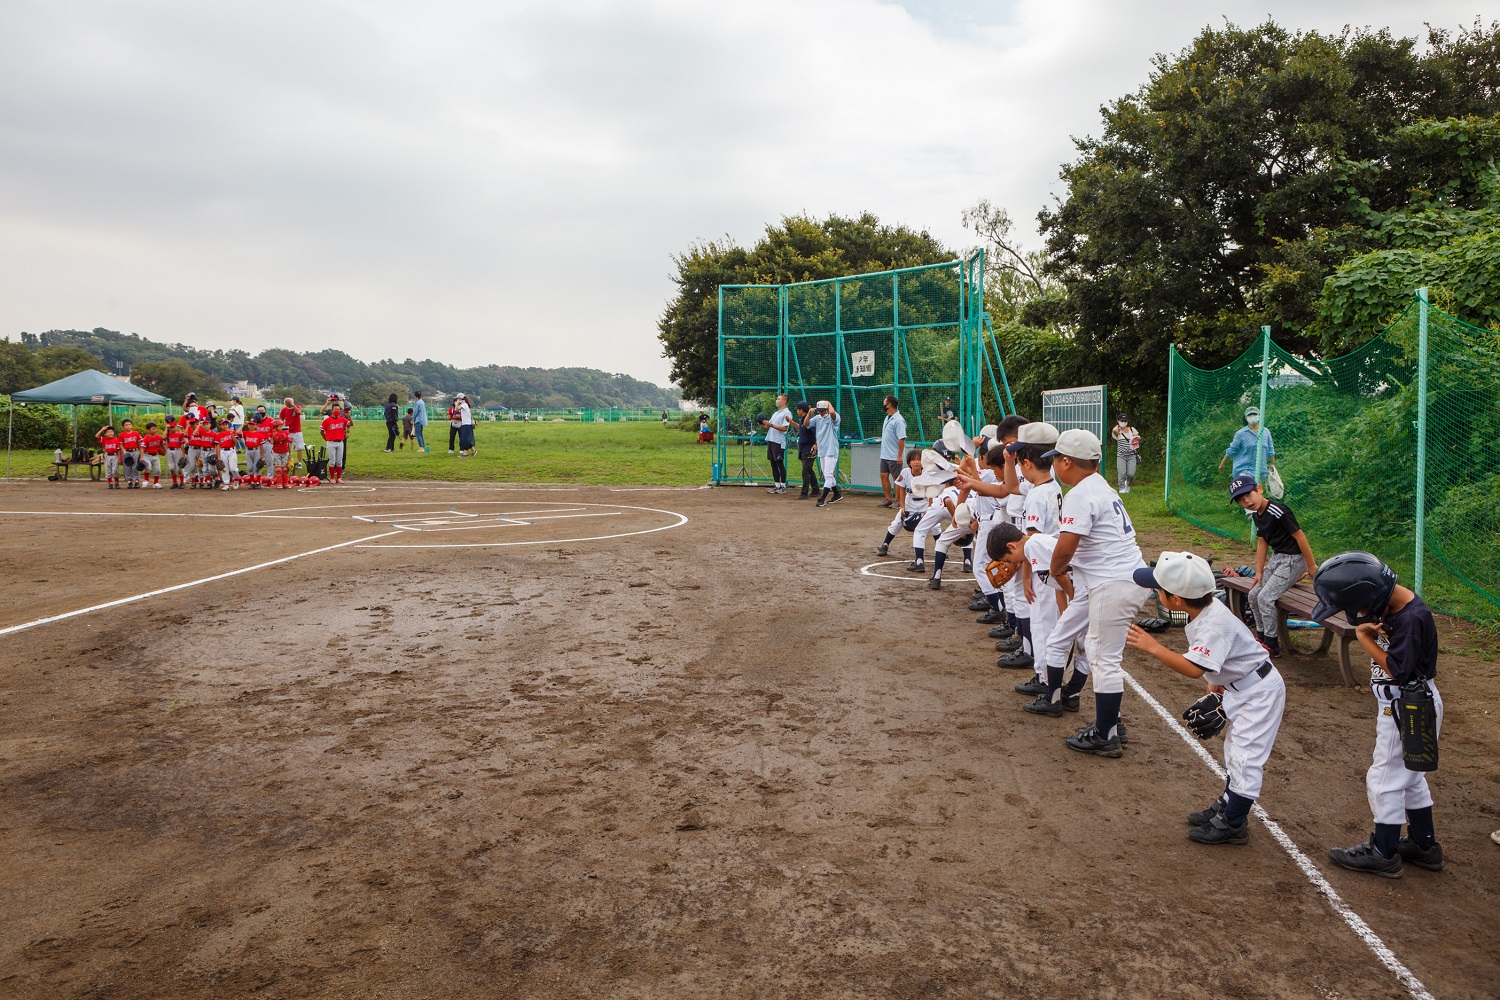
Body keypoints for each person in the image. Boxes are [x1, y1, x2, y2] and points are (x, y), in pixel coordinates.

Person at [1126, 551, 1287, 845]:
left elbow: (1192, 668)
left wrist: (1153, 648)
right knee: (1235, 753)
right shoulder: (1206, 610)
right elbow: (1223, 659)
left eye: (1158, 588)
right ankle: (1228, 805)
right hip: (1241, 686)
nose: (1155, 590)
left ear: (1175, 599)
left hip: (1258, 692)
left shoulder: (1212, 624)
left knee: (1245, 758)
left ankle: (1233, 824)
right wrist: (1216, 686)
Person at [1311, 552, 1445, 877]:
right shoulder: (1399, 606)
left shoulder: (1411, 619)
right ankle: (1424, 845)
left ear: (1371, 598)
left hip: (1405, 707)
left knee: (1383, 779)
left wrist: (1362, 636)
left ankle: (1383, 852)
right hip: (1412, 703)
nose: (1355, 615)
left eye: (1355, 608)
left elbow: (1397, 670)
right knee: (1409, 779)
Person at [1045, 428, 1150, 758]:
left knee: (1104, 657)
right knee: (1103, 653)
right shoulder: (1100, 485)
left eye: (1056, 460)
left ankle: (1106, 734)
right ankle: (1112, 724)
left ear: (1065, 462)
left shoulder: (1079, 493)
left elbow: (1065, 547)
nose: (1054, 467)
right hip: (1126, 577)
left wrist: (1055, 570)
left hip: (1113, 583)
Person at [1230, 475, 1319, 656]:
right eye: (1240, 499)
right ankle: (1261, 636)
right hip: (1278, 557)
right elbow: (1262, 542)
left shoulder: (1279, 511)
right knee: (1254, 595)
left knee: (1266, 598)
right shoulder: (1257, 515)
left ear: (1259, 489)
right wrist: (1259, 571)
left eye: (1248, 494)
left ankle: (1272, 643)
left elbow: (1300, 536)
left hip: (1293, 559)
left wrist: (1311, 566)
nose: (1246, 500)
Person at [876, 449, 926, 556]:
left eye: (919, 459)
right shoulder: (905, 472)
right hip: (910, 502)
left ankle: (941, 549)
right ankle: (885, 544)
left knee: (935, 526)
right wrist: (903, 507)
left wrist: (930, 508)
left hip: (924, 502)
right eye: (913, 460)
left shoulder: (927, 473)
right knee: (897, 523)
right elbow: (902, 489)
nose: (916, 462)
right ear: (909, 463)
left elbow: (932, 493)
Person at [1219, 406, 1276, 482]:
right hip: (1244, 470)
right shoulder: (1241, 434)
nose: (1252, 416)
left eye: (1254, 414)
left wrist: (1273, 465)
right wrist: (1222, 464)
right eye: (1250, 415)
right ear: (1246, 417)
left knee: (1256, 492)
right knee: (1247, 491)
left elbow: (1270, 450)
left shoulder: (1265, 432)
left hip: (1260, 470)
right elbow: (1232, 449)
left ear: (1259, 416)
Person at [807, 400, 842, 506]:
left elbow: (832, 413)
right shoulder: (817, 418)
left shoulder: (833, 418)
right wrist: (809, 414)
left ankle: (822, 499)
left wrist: (829, 403)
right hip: (822, 451)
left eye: (822, 410)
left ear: (826, 409)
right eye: (819, 411)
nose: (820, 413)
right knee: (828, 475)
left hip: (831, 450)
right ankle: (836, 494)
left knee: (828, 475)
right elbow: (806, 424)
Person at [878, 395, 907, 508]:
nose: (883, 405)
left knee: (897, 479)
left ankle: (898, 500)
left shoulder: (899, 420)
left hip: (894, 456)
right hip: (885, 455)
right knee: (883, 475)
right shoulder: (888, 417)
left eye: (884, 403)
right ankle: (888, 499)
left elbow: (901, 439)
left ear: (889, 405)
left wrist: (899, 456)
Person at [761, 394, 794, 494]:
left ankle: (783, 486)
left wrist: (771, 424)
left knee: (779, 463)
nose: (777, 400)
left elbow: (784, 428)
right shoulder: (776, 413)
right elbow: (768, 426)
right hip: (771, 440)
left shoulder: (787, 413)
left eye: (778, 399)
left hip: (778, 441)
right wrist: (762, 423)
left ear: (784, 401)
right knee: (773, 463)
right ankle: (777, 485)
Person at [321, 405, 352, 484]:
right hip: (331, 442)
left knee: (339, 461)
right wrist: (326, 439)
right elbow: (321, 431)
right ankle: (332, 478)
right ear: (332, 411)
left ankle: (339, 477)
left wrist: (349, 417)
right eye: (335, 409)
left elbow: (350, 424)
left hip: (340, 442)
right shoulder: (327, 420)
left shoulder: (342, 419)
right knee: (332, 461)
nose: (337, 410)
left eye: (338, 409)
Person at [1110, 413, 1141, 494]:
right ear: (1118, 421)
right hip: (1121, 456)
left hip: (1131, 455)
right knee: (1122, 473)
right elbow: (1114, 431)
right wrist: (1118, 425)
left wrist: (1136, 439)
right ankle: (1121, 488)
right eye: (1122, 420)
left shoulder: (1132, 429)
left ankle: (1127, 484)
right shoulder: (1117, 431)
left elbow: (1138, 438)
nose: (1123, 422)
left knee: (1131, 474)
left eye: (1125, 420)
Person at [794, 402, 816, 498]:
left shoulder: (810, 420)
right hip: (803, 448)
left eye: (798, 409)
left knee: (805, 471)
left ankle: (804, 493)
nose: (797, 411)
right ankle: (816, 489)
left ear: (801, 410)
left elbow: (816, 432)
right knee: (809, 470)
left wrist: (816, 444)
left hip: (809, 448)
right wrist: (791, 422)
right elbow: (801, 428)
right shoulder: (803, 419)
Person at [116, 419, 143, 489]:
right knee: (127, 467)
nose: (128, 426)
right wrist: (124, 450)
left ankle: (137, 481)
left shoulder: (136, 433)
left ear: (132, 425)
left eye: (129, 424)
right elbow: (120, 444)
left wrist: (141, 452)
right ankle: (129, 481)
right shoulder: (121, 435)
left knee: (135, 466)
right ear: (123, 427)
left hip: (134, 451)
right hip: (126, 452)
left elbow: (139, 443)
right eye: (126, 425)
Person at [241, 419, 267, 488]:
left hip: (256, 450)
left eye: (253, 424)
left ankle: (258, 483)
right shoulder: (246, 433)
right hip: (248, 451)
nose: (251, 426)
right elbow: (238, 432)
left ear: (256, 425)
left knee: (257, 467)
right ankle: (252, 482)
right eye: (250, 424)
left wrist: (263, 456)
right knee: (250, 468)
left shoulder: (259, 434)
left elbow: (261, 446)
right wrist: (243, 425)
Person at [216, 418, 240, 490]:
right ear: (219, 426)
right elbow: (218, 446)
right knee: (224, 468)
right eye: (222, 425)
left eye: (226, 424)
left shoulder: (233, 432)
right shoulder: (218, 435)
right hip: (222, 451)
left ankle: (236, 479)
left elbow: (236, 442)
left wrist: (232, 434)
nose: (224, 426)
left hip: (231, 451)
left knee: (233, 469)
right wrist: (218, 456)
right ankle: (226, 484)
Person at [164, 421, 187, 489]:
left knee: (179, 467)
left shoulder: (179, 435)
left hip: (177, 450)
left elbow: (182, 444)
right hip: (169, 451)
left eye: (173, 427)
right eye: (171, 427)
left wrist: (183, 453)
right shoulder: (168, 434)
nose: (172, 428)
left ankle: (182, 482)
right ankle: (175, 483)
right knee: (171, 468)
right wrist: (166, 429)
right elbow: (163, 437)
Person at [270, 420, 293, 487]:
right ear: (275, 427)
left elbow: (290, 440)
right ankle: (279, 483)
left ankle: (286, 483)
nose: (282, 427)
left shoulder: (285, 432)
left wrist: (285, 435)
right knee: (278, 468)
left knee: (285, 468)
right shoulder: (274, 433)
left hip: (285, 451)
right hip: (276, 452)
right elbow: (278, 439)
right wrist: (284, 434)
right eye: (280, 426)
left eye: (282, 426)